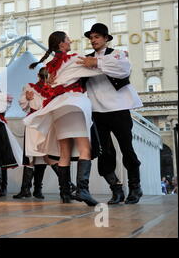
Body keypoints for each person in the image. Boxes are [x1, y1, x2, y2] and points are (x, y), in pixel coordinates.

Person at [24, 31, 104, 206]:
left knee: (64, 153)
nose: (71, 41)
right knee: (85, 149)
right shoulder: (73, 59)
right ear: (61, 44)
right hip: (74, 104)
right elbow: (97, 68)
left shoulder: (50, 67)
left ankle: (65, 193)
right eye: (68, 39)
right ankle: (83, 190)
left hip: (57, 108)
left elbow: (51, 86)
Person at [79, 23, 143, 204]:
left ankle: (135, 188)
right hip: (98, 112)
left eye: (97, 37)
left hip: (119, 110)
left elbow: (123, 70)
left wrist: (97, 62)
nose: (93, 40)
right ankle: (116, 189)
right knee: (105, 153)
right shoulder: (86, 59)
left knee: (127, 149)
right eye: (91, 38)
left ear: (106, 38)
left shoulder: (118, 54)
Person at [16, 67, 76, 199]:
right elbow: (24, 104)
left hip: (38, 124)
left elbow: (23, 105)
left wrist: (27, 99)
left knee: (40, 157)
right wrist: (27, 98)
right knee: (41, 157)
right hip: (41, 124)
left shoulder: (50, 90)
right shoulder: (36, 88)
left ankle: (32, 189)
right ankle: (36, 190)